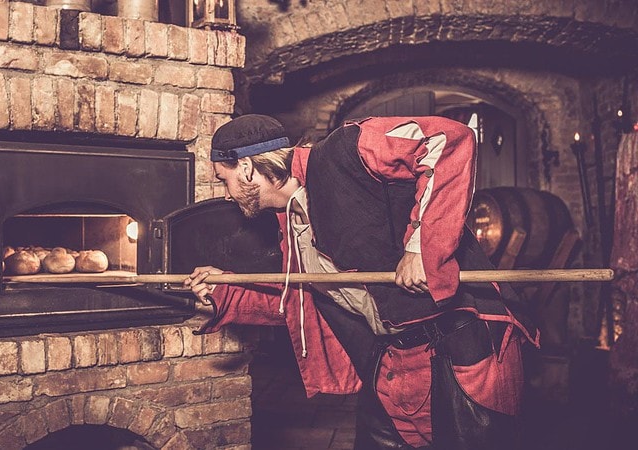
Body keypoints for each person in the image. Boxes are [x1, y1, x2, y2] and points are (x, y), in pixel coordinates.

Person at [184, 114, 538, 450]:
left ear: (246, 168)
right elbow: (302, 303)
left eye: (222, 179)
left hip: (463, 348)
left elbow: (447, 138)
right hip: (393, 363)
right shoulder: (290, 225)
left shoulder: (345, 149)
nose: (226, 193)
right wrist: (223, 293)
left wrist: (420, 247)